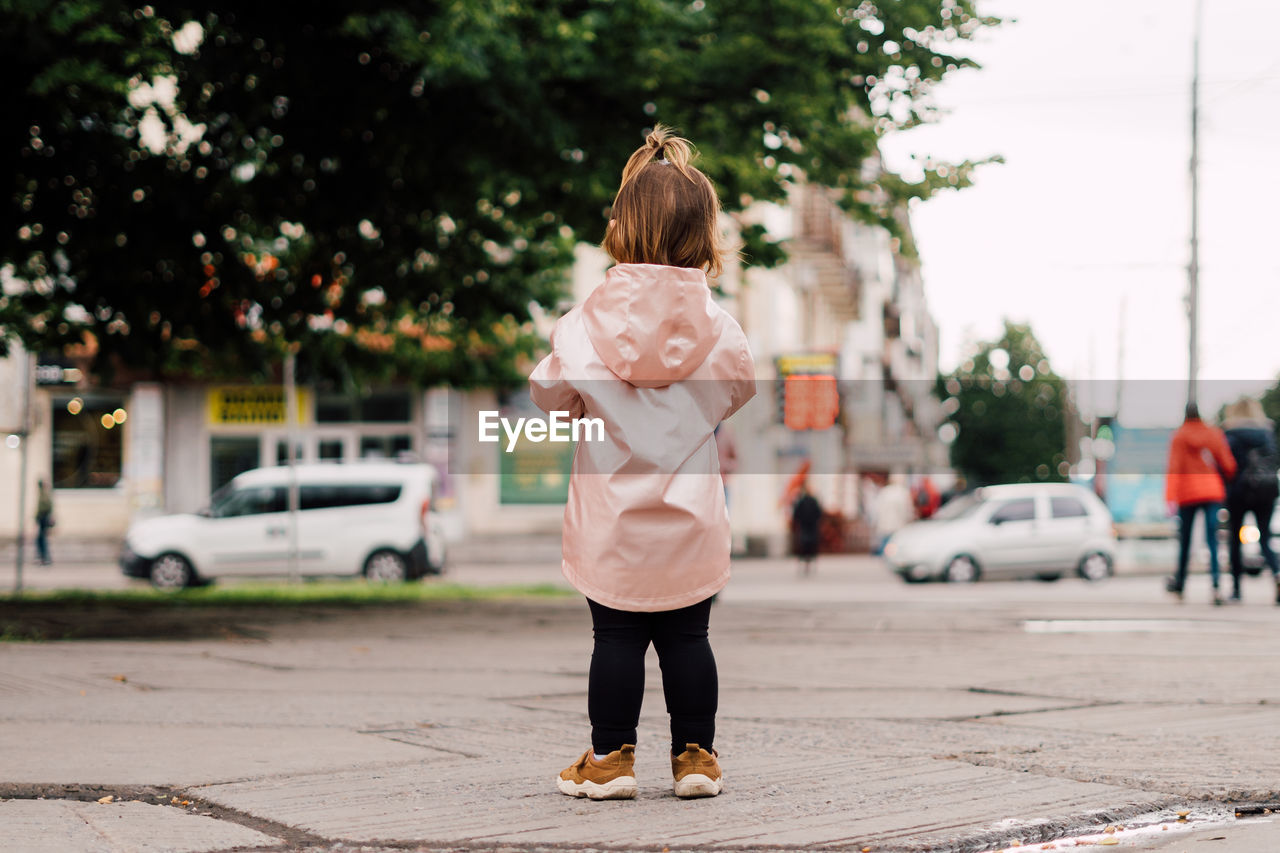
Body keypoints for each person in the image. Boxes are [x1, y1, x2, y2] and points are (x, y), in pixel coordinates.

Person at [530, 126, 756, 801]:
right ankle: (695, 760)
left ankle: (610, 761)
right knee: (690, 634)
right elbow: (738, 387)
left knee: (617, 636)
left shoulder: (582, 324)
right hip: (690, 514)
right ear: (704, 235)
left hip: (612, 517)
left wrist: (591, 402)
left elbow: (548, 392)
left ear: (619, 228)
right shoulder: (718, 326)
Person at [1164, 402, 1237, 604]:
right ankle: (1216, 585)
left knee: (1185, 540)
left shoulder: (1179, 436)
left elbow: (1174, 467)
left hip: (1187, 493)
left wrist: (1169, 497)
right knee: (1212, 538)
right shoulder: (1213, 434)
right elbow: (1229, 464)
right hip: (1212, 491)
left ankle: (1180, 583)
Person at [1221, 397, 1280, 604]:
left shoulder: (1230, 435)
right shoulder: (1267, 433)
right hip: (1267, 489)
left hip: (1239, 491)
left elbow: (1227, 465)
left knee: (1235, 541)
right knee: (1265, 537)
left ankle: (1236, 589)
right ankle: (1277, 573)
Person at [791, 482, 823, 576]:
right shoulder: (813, 501)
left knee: (804, 545)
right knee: (810, 545)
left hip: (804, 526)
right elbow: (819, 513)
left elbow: (796, 514)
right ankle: (809, 563)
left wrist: (799, 521)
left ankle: (805, 563)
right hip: (811, 526)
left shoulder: (801, 501)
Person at [35, 479, 54, 566]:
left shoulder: (44, 495)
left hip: (43, 518)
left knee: (42, 539)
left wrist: (38, 516)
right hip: (42, 518)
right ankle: (43, 557)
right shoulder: (43, 494)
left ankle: (45, 558)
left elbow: (46, 507)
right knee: (40, 539)